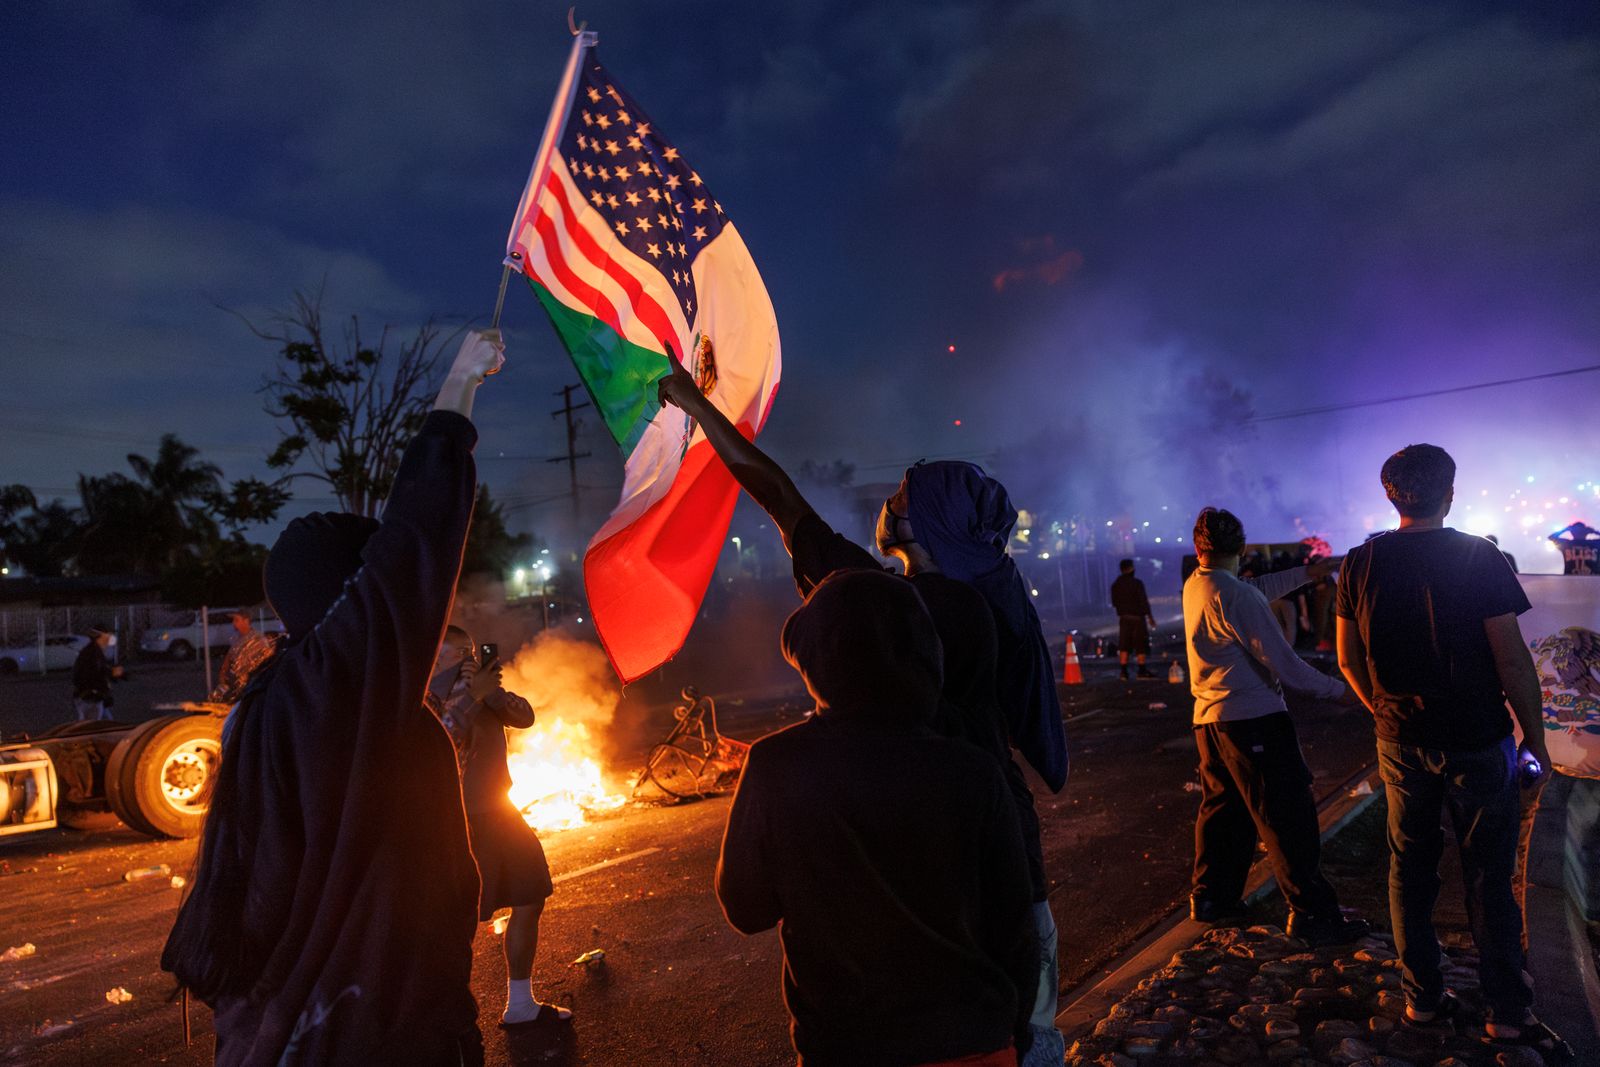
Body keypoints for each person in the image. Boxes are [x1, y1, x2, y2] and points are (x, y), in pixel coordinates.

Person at [656, 353, 1069, 1064]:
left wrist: (698, 409)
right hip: (996, 850)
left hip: (900, 870)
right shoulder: (998, 599)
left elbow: (778, 495)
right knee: (1018, 1036)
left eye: (903, 496)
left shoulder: (884, 605)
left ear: (926, 521)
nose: (890, 504)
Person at [161, 329, 505, 1066]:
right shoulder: (330, 693)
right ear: (347, 596)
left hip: (286, 1031)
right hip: (365, 1033)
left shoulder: (266, 705)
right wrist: (458, 390)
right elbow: (411, 544)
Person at [716, 568, 1038, 1066]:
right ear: (925, 654)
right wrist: (1011, 1032)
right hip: (972, 1039)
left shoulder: (776, 765)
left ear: (813, 660)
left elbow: (747, 908)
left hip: (846, 1045)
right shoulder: (973, 770)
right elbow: (1014, 926)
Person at [1337, 444, 1572, 1060]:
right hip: (1477, 737)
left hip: (1400, 741)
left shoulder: (1361, 562)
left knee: (1408, 866)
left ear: (1391, 494)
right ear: (1450, 492)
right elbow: (1511, 659)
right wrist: (1535, 739)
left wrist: (1381, 711)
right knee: (1490, 871)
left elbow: (1347, 659)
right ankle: (1508, 1013)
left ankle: (1422, 998)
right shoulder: (1479, 555)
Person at [1183, 507, 1369, 946]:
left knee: (1224, 814)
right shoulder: (1235, 595)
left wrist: (1308, 572)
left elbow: (1252, 590)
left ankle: (1212, 899)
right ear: (1242, 546)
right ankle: (1312, 914)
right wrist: (1343, 692)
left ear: (1199, 548)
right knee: (1288, 817)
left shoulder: (1198, 584)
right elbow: (1286, 664)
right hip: (1254, 722)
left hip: (1211, 722)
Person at [426, 626, 569, 1029]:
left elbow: (525, 717)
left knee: (531, 895)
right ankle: (440, 1015)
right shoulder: (426, 697)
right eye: (459, 654)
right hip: (458, 820)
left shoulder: (485, 692)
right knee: (459, 919)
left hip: (500, 813)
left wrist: (490, 695)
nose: (468, 661)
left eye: (469, 653)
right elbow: (441, 744)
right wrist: (472, 697)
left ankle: (520, 1004)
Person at [207, 610, 280, 705]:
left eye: (237, 620)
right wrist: (223, 675)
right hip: (234, 685)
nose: (234, 623)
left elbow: (263, 663)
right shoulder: (237, 638)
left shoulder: (257, 639)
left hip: (247, 687)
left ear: (246, 621)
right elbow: (229, 658)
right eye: (233, 620)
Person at [1110, 558, 1157, 679]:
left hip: (1124, 618)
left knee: (1124, 644)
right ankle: (1141, 671)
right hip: (1138, 618)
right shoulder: (1137, 583)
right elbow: (1143, 602)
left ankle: (1123, 672)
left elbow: (1114, 603)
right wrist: (1150, 617)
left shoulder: (1115, 585)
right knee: (1140, 644)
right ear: (1131, 568)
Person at [71, 627, 122, 720]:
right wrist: (111, 673)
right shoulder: (92, 653)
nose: (110, 639)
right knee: (92, 725)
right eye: (108, 636)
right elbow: (92, 674)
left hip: (94, 697)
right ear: (100, 637)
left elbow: (100, 670)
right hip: (90, 698)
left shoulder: (96, 651)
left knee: (107, 723)